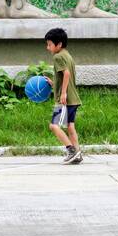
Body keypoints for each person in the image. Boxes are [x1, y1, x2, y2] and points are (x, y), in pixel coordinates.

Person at [44, 27, 82, 164]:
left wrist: (63, 93)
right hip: (74, 98)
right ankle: (77, 153)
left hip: (65, 99)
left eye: (49, 44)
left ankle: (71, 150)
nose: (47, 47)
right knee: (70, 126)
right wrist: (54, 83)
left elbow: (66, 74)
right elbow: (66, 77)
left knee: (54, 126)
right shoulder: (67, 55)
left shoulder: (58, 56)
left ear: (59, 44)